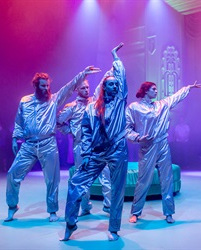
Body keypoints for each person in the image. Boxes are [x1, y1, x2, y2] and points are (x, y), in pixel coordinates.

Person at [4, 65, 101, 223]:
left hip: (48, 143)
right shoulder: (25, 101)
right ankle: (12, 206)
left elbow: (69, 87)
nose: (46, 88)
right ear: (35, 85)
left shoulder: (54, 100)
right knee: (12, 174)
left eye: (48, 85)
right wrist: (15, 137)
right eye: (43, 86)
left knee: (52, 179)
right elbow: (19, 121)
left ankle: (52, 210)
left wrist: (83, 73)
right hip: (29, 144)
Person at [61, 43, 127, 241]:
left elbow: (122, 76)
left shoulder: (120, 101)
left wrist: (115, 57)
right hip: (96, 152)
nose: (115, 86)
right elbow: (87, 132)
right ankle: (70, 224)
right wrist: (87, 154)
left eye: (117, 84)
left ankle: (114, 228)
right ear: (104, 87)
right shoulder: (91, 109)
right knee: (75, 183)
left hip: (117, 150)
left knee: (116, 189)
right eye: (111, 84)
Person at [125, 80, 201, 224]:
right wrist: (138, 137)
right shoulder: (134, 108)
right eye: (153, 89)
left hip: (163, 144)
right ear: (145, 91)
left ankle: (169, 213)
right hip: (147, 146)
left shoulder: (162, 105)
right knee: (143, 180)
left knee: (167, 179)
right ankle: (135, 212)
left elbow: (176, 96)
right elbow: (126, 128)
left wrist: (188, 88)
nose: (156, 91)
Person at [57, 79, 111, 217]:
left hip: (98, 145)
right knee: (83, 177)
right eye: (83, 88)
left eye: (87, 87)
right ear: (77, 90)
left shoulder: (95, 103)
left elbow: (101, 87)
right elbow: (58, 122)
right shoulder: (72, 107)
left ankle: (109, 205)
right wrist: (71, 131)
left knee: (106, 175)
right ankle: (85, 206)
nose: (87, 90)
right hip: (81, 146)